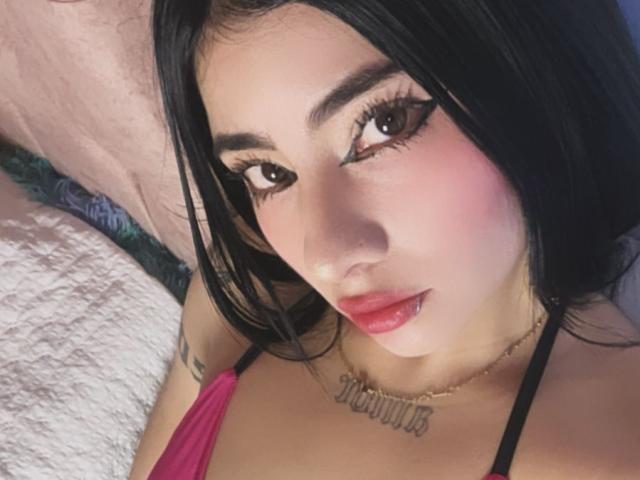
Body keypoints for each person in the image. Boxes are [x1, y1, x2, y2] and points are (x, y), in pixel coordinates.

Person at [129, 1, 640, 478]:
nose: (326, 258)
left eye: (384, 124)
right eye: (268, 172)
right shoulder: (244, 293)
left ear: (525, 67)